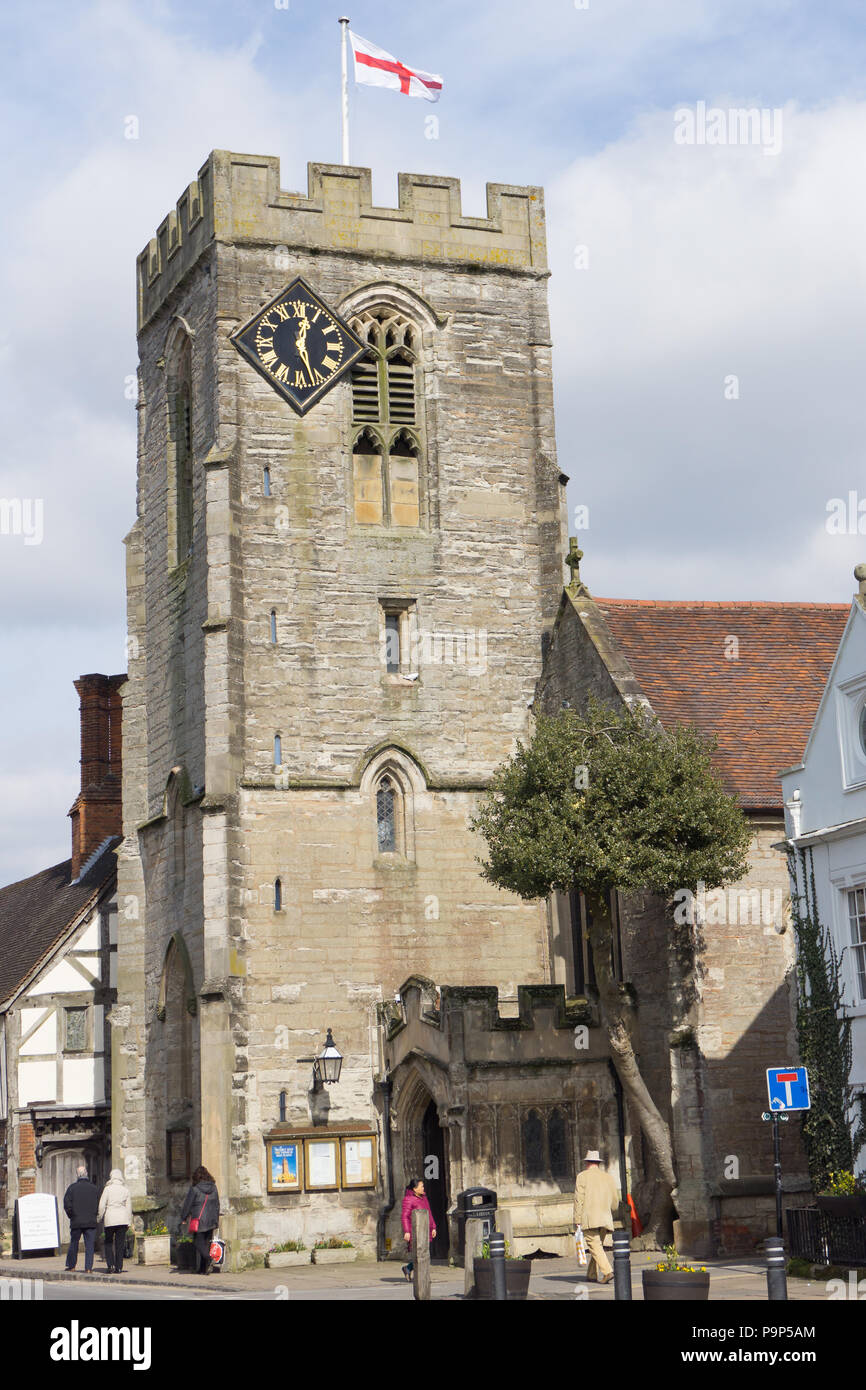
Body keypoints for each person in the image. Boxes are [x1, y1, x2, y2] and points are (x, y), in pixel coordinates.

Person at [573, 1149, 620, 1285]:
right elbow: (615, 1202)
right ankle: (591, 1274)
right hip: (605, 1218)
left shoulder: (582, 1176)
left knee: (595, 1246)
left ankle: (607, 1272)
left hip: (589, 1218)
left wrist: (577, 1220)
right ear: (598, 1163)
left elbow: (578, 1200)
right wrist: (609, 1210)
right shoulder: (608, 1177)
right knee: (597, 1246)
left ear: (587, 1162)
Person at [180, 1165, 221, 1274]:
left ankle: (208, 1259)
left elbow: (188, 1204)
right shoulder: (214, 1188)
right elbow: (217, 1204)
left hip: (199, 1220)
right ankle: (203, 1269)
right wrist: (216, 1220)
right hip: (211, 1219)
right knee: (206, 1244)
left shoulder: (195, 1189)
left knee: (198, 1242)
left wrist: (184, 1217)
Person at [63, 1164, 99, 1273]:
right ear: (86, 1174)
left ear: (77, 1175)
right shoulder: (94, 1188)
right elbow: (98, 1204)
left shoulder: (72, 1188)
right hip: (90, 1221)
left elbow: (67, 1204)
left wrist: (72, 1215)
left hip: (76, 1221)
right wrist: (94, 1214)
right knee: (89, 1246)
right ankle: (88, 1268)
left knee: (74, 1244)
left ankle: (71, 1266)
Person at [400, 1177, 436, 1282]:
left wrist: (433, 1227)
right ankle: (420, 1277)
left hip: (426, 1230)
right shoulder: (408, 1199)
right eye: (422, 1186)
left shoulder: (424, 1197)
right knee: (420, 1254)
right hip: (415, 1231)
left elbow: (429, 1213)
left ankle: (408, 1268)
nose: (423, 1188)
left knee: (424, 1253)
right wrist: (407, 1231)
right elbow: (405, 1216)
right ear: (415, 1189)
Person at [98, 1168, 132, 1274]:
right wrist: (129, 1222)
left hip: (110, 1219)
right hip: (122, 1219)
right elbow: (129, 1207)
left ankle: (110, 1265)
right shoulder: (125, 1189)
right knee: (120, 1244)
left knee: (108, 1242)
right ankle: (119, 1267)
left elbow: (102, 1205)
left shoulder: (107, 1189)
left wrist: (99, 1217)